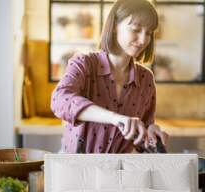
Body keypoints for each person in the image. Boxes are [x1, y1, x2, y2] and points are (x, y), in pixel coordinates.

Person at [51, 0, 168, 153]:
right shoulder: (84, 64)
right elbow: (60, 100)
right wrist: (115, 118)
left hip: (118, 172)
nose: (143, 40)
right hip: (75, 169)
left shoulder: (146, 79)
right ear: (114, 27)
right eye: (136, 29)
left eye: (149, 33)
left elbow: (141, 138)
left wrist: (151, 135)